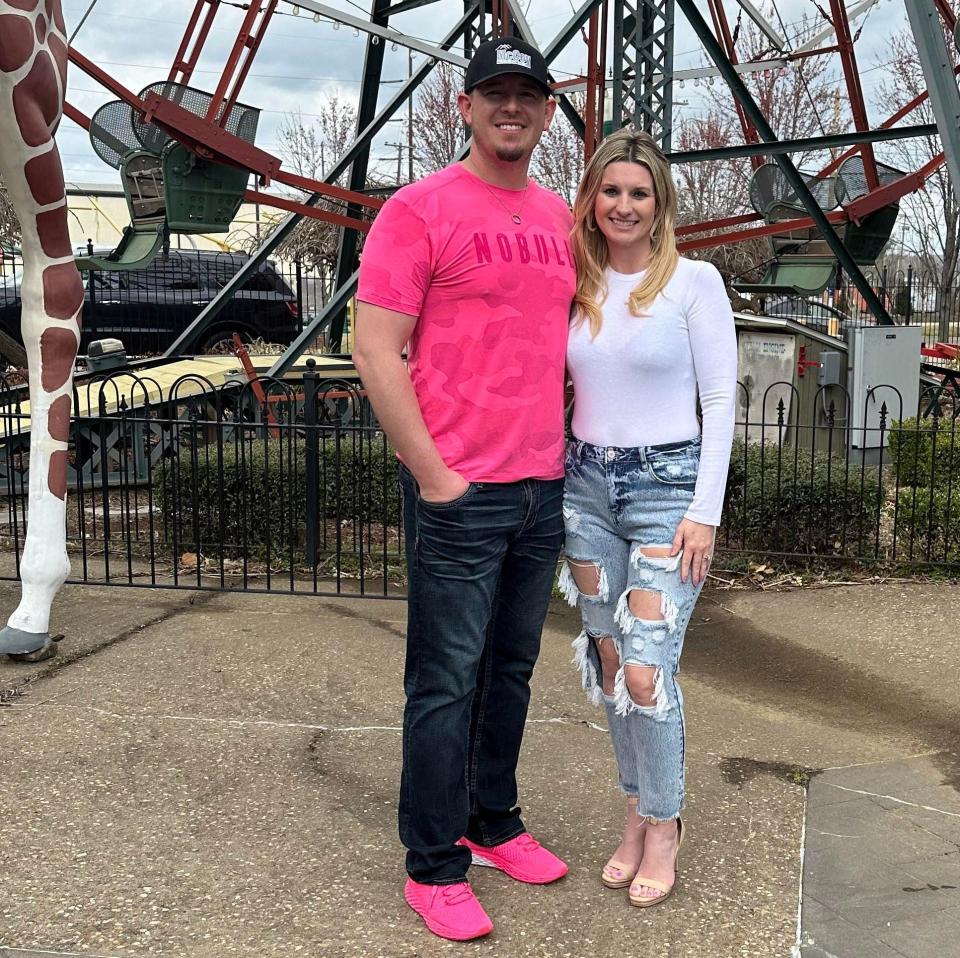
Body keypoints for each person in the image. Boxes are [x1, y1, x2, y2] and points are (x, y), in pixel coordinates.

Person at [354, 37, 575, 942]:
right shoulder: (418, 211)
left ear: (547, 112)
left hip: (541, 485)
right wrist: (435, 475)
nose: (511, 108)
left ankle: (492, 822)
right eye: (496, 94)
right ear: (466, 106)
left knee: (510, 671)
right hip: (462, 487)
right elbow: (377, 348)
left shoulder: (562, 216)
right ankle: (433, 862)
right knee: (444, 680)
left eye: (528, 95)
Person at [560, 128, 737, 908]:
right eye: (611, 191)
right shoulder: (579, 281)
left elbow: (720, 398)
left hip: (667, 491)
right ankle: (632, 813)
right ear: (593, 201)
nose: (624, 204)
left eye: (639, 192)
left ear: (659, 202)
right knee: (606, 663)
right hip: (585, 487)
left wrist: (705, 511)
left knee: (644, 666)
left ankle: (665, 824)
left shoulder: (693, 282)